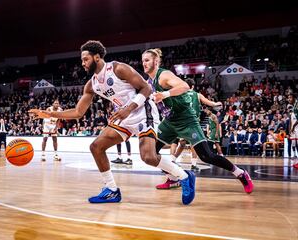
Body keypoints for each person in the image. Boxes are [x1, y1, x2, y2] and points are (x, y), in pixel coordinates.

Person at [29, 40, 196, 205]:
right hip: (123, 116)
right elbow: (79, 112)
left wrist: (128, 109)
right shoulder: (91, 84)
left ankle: (184, 176)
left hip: (143, 112)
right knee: (96, 147)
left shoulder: (117, 68)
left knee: (148, 157)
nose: (82, 63)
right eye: (81, 60)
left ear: (96, 57)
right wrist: (49, 113)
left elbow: (146, 88)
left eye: (85, 59)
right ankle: (111, 190)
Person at [142, 48, 253, 193]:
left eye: (147, 60)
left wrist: (165, 94)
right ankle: (174, 178)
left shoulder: (164, 75)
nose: (144, 63)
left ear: (156, 61)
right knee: (150, 153)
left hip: (186, 119)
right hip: (169, 121)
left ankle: (240, 173)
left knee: (207, 156)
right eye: (143, 60)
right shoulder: (149, 81)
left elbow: (184, 86)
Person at [169, 79, 223, 172]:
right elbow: (210, 103)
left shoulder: (180, 94)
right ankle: (193, 164)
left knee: (181, 144)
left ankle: (172, 161)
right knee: (193, 144)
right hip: (192, 123)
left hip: (182, 122)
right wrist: (217, 103)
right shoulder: (197, 95)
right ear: (193, 86)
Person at [288, 94, 298, 168]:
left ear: (294, 98)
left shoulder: (297, 105)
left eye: (290, 97)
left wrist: (293, 126)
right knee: (296, 144)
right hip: (295, 128)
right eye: (288, 98)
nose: (289, 99)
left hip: (296, 127)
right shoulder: (293, 107)